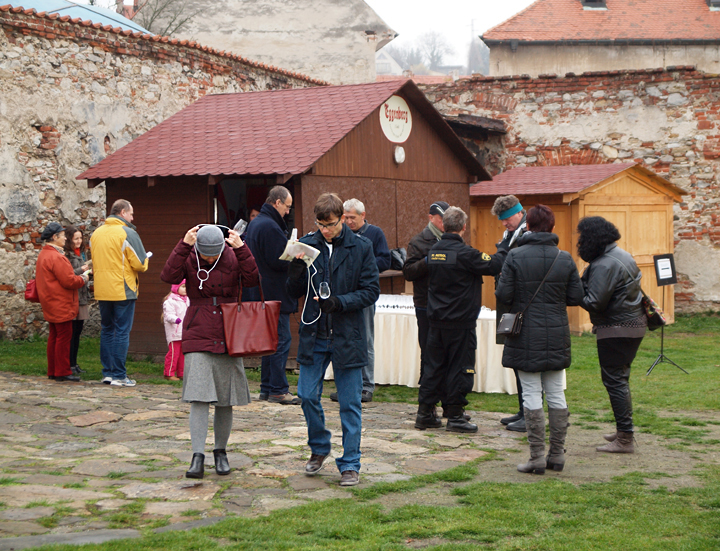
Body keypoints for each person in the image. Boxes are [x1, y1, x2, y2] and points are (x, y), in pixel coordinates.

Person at [286, 192, 380, 487]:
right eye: (321, 225)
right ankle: (320, 448)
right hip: (314, 332)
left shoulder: (361, 246)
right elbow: (293, 289)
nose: (326, 230)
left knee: (350, 403)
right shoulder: (308, 244)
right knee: (306, 394)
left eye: (331, 224)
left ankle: (350, 463)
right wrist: (296, 267)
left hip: (347, 333)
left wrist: (339, 302)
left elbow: (370, 291)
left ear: (342, 219)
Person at [161, 224, 259, 478]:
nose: (209, 259)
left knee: (226, 399)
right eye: (205, 254)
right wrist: (183, 245)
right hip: (198, 330)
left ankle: (220, 452)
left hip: (229, 333)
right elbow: (168, 276)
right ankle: (197, 456)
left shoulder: (233, 254)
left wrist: (243, 250)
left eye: (213, 254)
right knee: (199, 396)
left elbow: (253, 280)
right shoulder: (190, 255)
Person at [496, 205, 583, 474]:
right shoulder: (565, 258)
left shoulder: (515, 256)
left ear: (529, 226)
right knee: (556, 392)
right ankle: (556, 455)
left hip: (525, 333)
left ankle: (536, 457)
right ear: (552, 227)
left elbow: (502, 295)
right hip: (556, 331)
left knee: (532, 393)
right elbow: (576, 297)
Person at [416, 206, 507, 433]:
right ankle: (455, 415)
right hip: (460, 323)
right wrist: (504, 247)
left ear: (444, 226)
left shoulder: (433, 252)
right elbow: (495, 264)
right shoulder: (467, 254)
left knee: (433, 367)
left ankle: (425, 412)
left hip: (436, 320)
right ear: (464, 227)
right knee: (460, 367)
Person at [577, 216, 646, 454]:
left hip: (617, 329)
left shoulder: (605, 263)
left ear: (592, 237)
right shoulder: (622, 254)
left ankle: (625, 438)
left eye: (582, 236)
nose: (580, 241)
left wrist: (573, 292)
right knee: (619, 379)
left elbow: (595, 302)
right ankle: (623, 430)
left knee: (615, 380)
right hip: (632, 325)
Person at [327, 198, 390, 403]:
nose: (348, 221)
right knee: (341, 339)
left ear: (363, 216)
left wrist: (363, 262)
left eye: (352, 218)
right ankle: (346, 384)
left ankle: (366, 385)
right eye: (345, 218)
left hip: (363, 293)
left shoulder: (374, 234)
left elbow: (385, 260)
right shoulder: (339, 234)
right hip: (341, 296)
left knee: (365, 339)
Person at [404, 200, 462, 424]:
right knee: (429, 356)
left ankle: (449, 404)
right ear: (431, 218)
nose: (444, 222)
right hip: (426, 306)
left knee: (448, 357)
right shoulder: (419, 241)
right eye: (441, 219)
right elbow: (408, 272)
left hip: (448, 306)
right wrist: (430, 261)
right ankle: (428, 406)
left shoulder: (453, 239)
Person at [244, 186, 300, 405]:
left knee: (269, 341)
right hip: (274, 293)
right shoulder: (269, 226)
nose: (288, 211)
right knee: (280, 340)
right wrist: (296, 255)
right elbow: (278, 260)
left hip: (261, 292)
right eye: (287, 206)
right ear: (277, 203)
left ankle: (267, 388)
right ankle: (278, 389)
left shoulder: (257, 223)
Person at [90, 199, 149, 387]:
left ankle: (107, 373)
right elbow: (139, 264)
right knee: (122, 332)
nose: (132, 217)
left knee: (107, 330)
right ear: (123, 212)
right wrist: (146, 259)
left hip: (102, 288)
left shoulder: (96, 234)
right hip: (123, 288)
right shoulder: (127, 232)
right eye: (131, 214)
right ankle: (119, 375)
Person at [490, 195, 529, 433]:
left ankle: (530, 412)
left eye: (507, 219)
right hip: (510, 303)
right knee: (516, 358)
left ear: (518, 212)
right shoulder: (509, 234)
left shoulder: (526, 234)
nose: (505, 224)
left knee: (525, 359)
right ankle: (523, 409)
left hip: (522, 303)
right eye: (501, 220)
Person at [36, 222, 89, 382]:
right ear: (54, 237)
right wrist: (84, 278)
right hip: (61, 302)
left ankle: (53, 370)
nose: (65, 238)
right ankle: (62, 371)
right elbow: (69, 281)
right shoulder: (56, 256)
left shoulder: (44, 254)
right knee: (64, 337)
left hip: (50, 300)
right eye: (63, 235)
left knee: (54, 336)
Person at [63, 226, 91, 376]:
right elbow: (67, 275)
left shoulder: (82, 254)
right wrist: (82, 269)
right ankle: (69, 363)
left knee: (78, 331)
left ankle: (74, 362)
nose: (79, 242)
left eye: (80, 238)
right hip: (72, 297)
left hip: (82, 296)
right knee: (71, 332)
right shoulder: (66, 255)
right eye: (76, 239)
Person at [162, 280, 188, 381]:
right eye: (183, 287)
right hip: (175, 332)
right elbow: (168, 315)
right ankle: (169, 373)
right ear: (176, 288)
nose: (186, 289)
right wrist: (175, 319)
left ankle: (181, 373)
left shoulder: (187, 300)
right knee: (173, 353)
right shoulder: (170, 301)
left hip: (184, 332)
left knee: (183, 354)